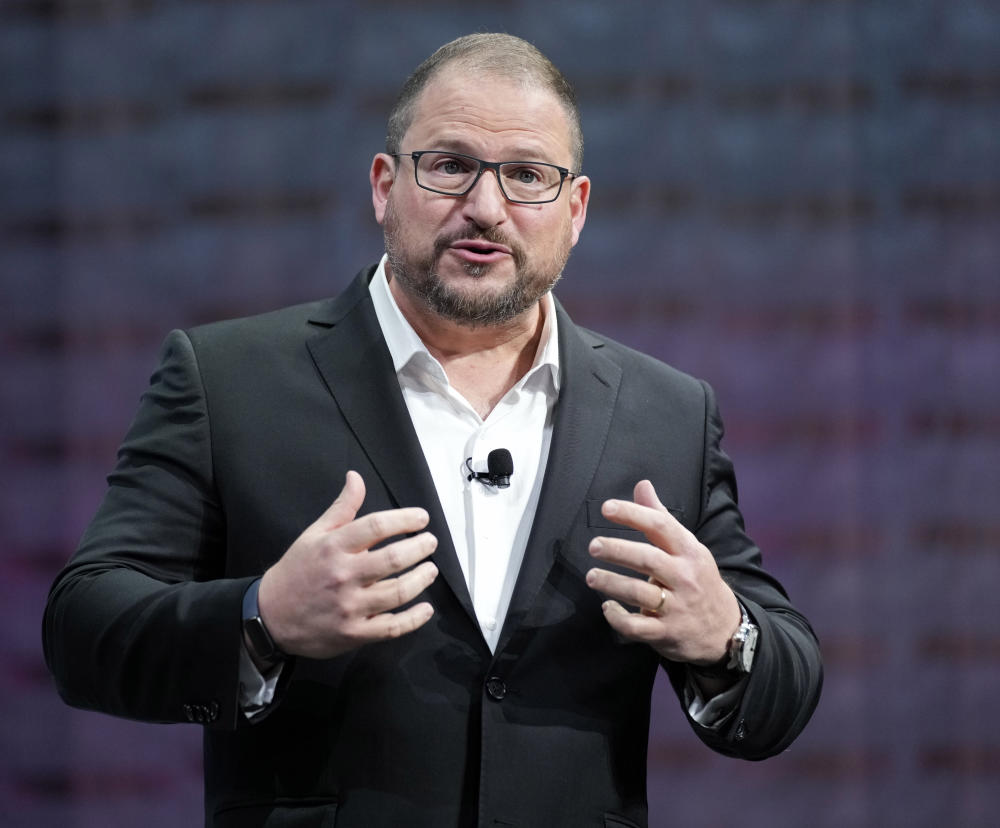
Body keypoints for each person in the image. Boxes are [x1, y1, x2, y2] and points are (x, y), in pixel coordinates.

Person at [43, 33, 822, 828]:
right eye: (450, 166)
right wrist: (262, 617)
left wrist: (726, 635)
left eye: (527, 176)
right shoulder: (228, 381)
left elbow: (786, 681)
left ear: (576, 209)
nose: (486, 207)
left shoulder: (669, 414)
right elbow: (85, 629)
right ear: (385, 186)